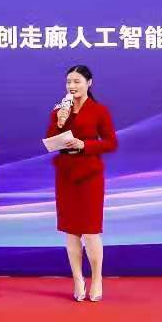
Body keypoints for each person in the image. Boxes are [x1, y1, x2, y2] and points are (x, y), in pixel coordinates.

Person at [46, 63, 117, 302]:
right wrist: (59, 122)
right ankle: (77, 278)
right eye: (69, 82)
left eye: (77, 81)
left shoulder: (99, 110)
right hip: (66, 174)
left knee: (90, 229)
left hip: (89, 174)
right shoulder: (59, 110)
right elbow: (49, 141)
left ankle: (96, 278)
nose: (72, 86)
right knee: (71, 230)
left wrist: (84, 144)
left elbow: (111, 142)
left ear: (89, 83)